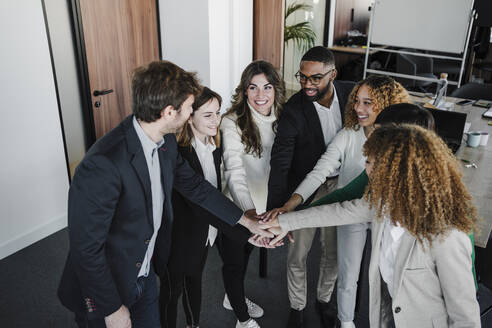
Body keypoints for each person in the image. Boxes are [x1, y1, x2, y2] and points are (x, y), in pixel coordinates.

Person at [57, 61, 273, 328]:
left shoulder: (165, 142)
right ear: (170, 112)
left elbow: (197, 188)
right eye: (190, 108)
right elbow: (86, 248)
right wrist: (111, 308)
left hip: (145, 274)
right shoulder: (102, 164)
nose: (192, 113)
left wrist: (246, 221)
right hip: (107, 287)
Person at [269, 124, 481, 328]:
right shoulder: (384, 203)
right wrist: (283, 222)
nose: (366, 169)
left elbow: (465, 317)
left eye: (371, 163)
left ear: (399, 172)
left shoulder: (447, 236)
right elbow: (339, 211)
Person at [271, 75, 409, 328]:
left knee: (385, 277)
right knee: (349, 275)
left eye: (368, 103)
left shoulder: (400, 142)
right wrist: (292, 206)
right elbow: (320, 171)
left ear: (387, 104)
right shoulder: (349, 134)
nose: (358, 108)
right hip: (350, 211)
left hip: (387, 215)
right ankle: (345, 322)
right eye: (357, 101)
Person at [267, 46, 355, 328]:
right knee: (298, 253)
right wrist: (278, 209)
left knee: (333, 252)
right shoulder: (293, 110)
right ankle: (297, 306)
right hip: (303, 189)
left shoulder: (353, 96)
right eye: (302, 77)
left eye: (315, 78)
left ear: (333, 74)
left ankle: (324, 299)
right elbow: (280, 163)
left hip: (343, 185)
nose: (306, 84)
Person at [158, 87, 255, 328]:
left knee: (195, 281)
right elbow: (201, 201)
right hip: (180, 238)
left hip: (205, 233)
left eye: (218, 113)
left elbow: (214, 195)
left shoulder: (214, 148)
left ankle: (193, 324)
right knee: (171, 294)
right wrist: (248, 232)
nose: (216, 120)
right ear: (189, 116)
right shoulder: (181, 154)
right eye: (208, 115)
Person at [219, 60, 285, 328]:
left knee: (246, 254)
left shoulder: (284, 118)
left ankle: (230, 298)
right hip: (237, 204)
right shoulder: (232, 122)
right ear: (244, 91)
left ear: (275, 90)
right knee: (234, 262)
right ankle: (242, 320)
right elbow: (234, 173)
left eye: (267, 87)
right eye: (253, 87)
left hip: (266, 204)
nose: (261, 95)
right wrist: (249, 216)